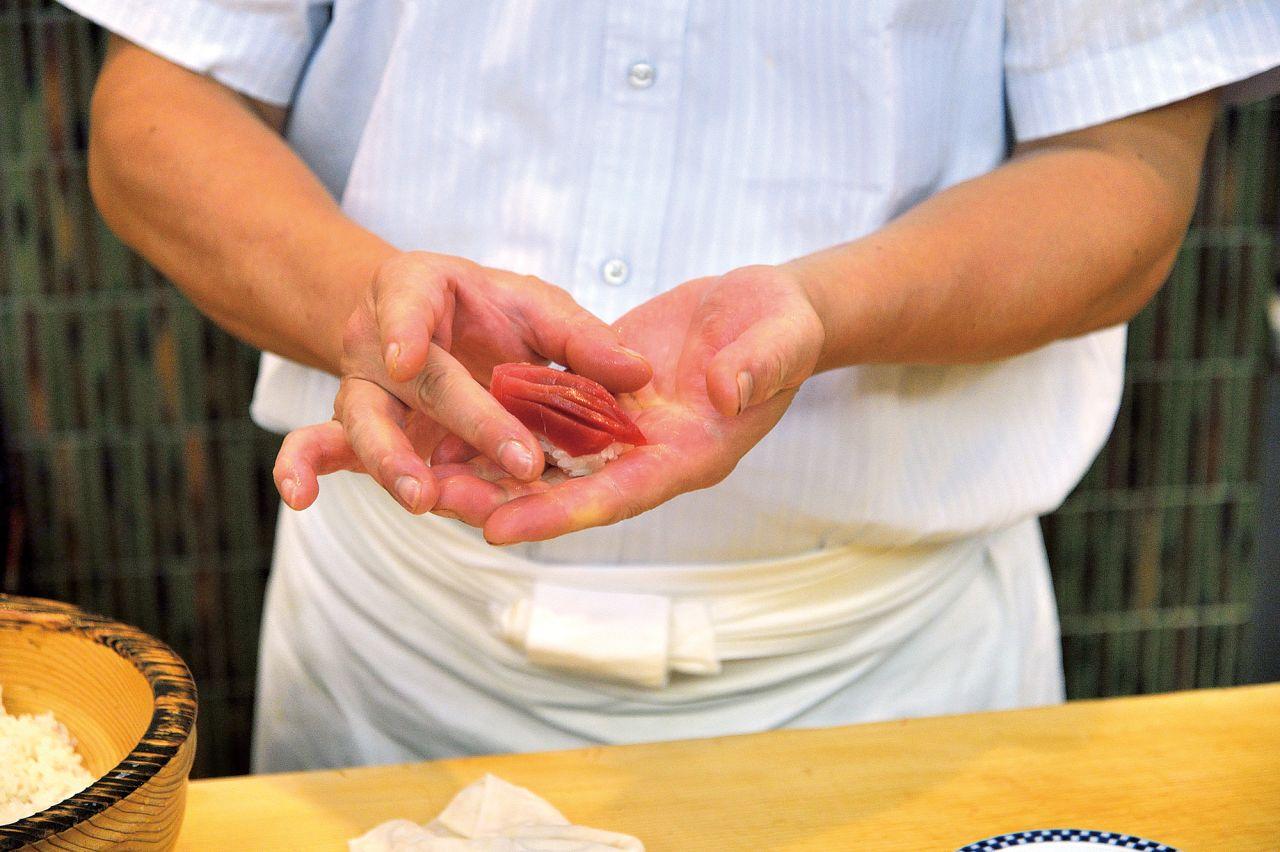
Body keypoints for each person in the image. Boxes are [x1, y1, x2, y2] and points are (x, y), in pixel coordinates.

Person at [67, 0, 1280, 771]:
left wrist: (820, 311)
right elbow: (162, 105)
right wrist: (375, 305)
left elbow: (1121, 165)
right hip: (385, 663)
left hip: (884, 686)